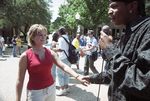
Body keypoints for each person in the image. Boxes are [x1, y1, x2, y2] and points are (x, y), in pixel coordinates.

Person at [83, 0, 150, 101]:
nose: (109, 11)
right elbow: (119, 73)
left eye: (114, 6)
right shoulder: (127, 32)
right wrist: (92, 78)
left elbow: (144, 83)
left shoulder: (147, 30)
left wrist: (109, 49)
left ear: (132, 6)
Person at [16, 24, 89, 101]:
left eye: (44, 35)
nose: (43, 37)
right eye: (40, 35)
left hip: (51, 89)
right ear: (32, 37)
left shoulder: (50, 53)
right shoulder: (25, 56)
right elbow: (20, 80)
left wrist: (77, 77)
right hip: (35, 92)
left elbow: (63, 66)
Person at [52, 27, 72, 96]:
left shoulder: (61, 38)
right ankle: (66, 88)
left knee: (59, 74)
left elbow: (61, 49)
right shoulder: (66, 37)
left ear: (59, 32)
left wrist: (54, 49)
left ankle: (62, 89)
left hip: (62, 58)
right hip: (68, 58)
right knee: (66, 73)